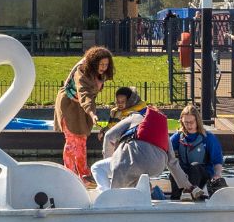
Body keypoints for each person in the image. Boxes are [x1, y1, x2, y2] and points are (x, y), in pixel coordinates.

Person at [92, 106, 196, 195]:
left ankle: (105, 194)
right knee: (138, 177)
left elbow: (109, 136)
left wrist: (112, 162)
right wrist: (188, 186)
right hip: (156, 167)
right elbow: (172, 162)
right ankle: (145, 196)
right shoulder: (162, 130)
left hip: (129, 162)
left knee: (97, 167)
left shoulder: (135, 117)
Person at [54, 45, 114, 185]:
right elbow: (84, 94)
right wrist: (92, 113)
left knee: (80, 139)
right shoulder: (81, 71)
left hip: (82, 107)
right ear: (94, 63)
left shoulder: (99, 74)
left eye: (106, 64)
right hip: (69, 105)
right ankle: (77, 175)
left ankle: (79, 175)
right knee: (73, 141)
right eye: (101, 64)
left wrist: (91, 112)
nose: (104, 67)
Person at [169, 103, 226, 201]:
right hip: (184, 177)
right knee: (175, 169)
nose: (189, 125)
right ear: (182, 122)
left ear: (197, 121)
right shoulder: (177, 137)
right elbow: (166, 151)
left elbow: (217, 161)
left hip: (201, 175)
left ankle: (193, 194)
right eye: (186, 122)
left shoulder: (208, 138)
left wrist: (217, 175)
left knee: (194, 166)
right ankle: (175, 198)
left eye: (191, 122)